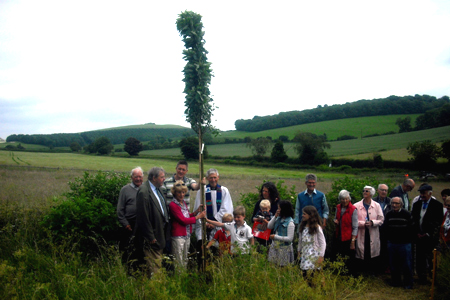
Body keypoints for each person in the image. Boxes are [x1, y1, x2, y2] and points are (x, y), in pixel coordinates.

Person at [134, 167, 169, 277]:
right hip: (152, 237)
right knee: (155, 268)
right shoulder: (144, 191)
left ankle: (153, 288)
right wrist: (150, 237)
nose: (164, 179)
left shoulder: (158, 189)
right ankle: (156, 289)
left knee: (156, 265)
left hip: (160, 234)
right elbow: (142, 216)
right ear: (154, 178)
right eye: (162, 177)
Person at [194, 169, 233, 260]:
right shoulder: (202, 191)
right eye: (211, 178)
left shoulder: (224, 191)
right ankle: (202, 270)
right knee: (203, 252)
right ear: (207, 178)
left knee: (217, 253)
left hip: (218, 227)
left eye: (215, 177)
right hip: (204, 226)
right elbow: (198, 208)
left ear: (218, 177)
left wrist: (213, 222)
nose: (213, 180)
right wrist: (206, 223)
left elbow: (226, 209)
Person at [169, 180, 206, 268]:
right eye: (179, 192)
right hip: (178, 236)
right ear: (174, 193)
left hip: (186, 234)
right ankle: (179, 278)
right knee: (179, 260)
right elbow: (183, 220)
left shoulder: (183, 202)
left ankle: (183, 277)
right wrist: (198, 217)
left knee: (185, 259)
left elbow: (187, 216)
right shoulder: (173, 205)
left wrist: (196, 212)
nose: (181, 195)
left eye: (183, 192)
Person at [411, 184, 443, 284]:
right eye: (421, 193)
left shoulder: (437, 205)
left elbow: (438, 221)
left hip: (430, 237)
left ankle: (432, 278)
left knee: (430, 258)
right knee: (419, 258)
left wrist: (428, 233)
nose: (422, 195)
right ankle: (421, 277)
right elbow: (414, 220)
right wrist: (416, 232)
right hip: (418, 236)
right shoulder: (417, 204)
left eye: (424, 193)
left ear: (430, 193)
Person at [384, 197, 414, 289]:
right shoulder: (389, 214)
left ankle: (408, 284)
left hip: (404, 244)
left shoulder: (407, 214)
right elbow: (386, 228)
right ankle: (396, 282)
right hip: (392, 243)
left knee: (406, 265)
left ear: (401, 204)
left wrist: (407, 239)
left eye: (396, 203)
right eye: (393, 203)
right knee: (394, 264)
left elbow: (412, 229)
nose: (394, 205)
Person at [354, 186, 384, 274]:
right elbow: (354, 221)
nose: (364, 192)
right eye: (363, 190)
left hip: (373, 232)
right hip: (361, 232)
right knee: (361, 251)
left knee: (372, 251)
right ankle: (361, 271)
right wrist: (363, 223)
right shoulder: (356, 205)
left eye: (366, 191)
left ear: (371, 193)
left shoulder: (377, 205)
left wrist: (373, 222)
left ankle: (371, 271)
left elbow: (381, 220)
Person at [117, 167, 143, 255]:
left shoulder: (146, 189)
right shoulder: (125, 190)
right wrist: (125, 223)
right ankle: (126, 267)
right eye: (136, 177)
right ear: (131, 177)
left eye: (140, 176)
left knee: (140, 249)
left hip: (141, 223)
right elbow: (120, 209)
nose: (138, 179)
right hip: (129, 224)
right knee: (127, 249)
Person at [333, 190, 357, 274]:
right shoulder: (338, 207)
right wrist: (335, 221)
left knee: (349, 257)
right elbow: (335, 218)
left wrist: (353, 241)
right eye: (343, 199)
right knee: (340, 254)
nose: (345, 201)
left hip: (348, 237)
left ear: (349, 199)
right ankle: (341, 272)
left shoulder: (353, 209)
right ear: (340, 199)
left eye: (346, 198)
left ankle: (350, 273)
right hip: (339, 235)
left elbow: (355, 227)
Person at [297, 206, 326, 276]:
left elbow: (323, 243)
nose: (302, 215)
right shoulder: (303, 227)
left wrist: (321, 256)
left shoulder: (317, 227)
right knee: (304, 274)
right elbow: (300, 241)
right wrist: (298, 251)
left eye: (304, 214)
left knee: (312, 274)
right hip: (305, 254)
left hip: (314, 254)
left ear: (310, 215)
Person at [267, 200, 295, 266]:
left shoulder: (290, 223)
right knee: (272, 265)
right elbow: (269, 226)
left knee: (282, 266)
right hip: (275, 245)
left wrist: (275, 237)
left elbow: (290, 238)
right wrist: (275, 216)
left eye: (279, 208)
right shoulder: (278, 218)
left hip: (284, 248)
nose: (278, 210)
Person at [373, 183, 391, 273]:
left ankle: (385, 267)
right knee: (376, 247)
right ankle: (376, 266)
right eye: (382, 190)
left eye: (386, 190)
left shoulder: (391, 202)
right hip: (375, 228)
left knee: (385, 247)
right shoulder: (373, 201)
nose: (384, 192)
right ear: (378, 191)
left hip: (387, 229)